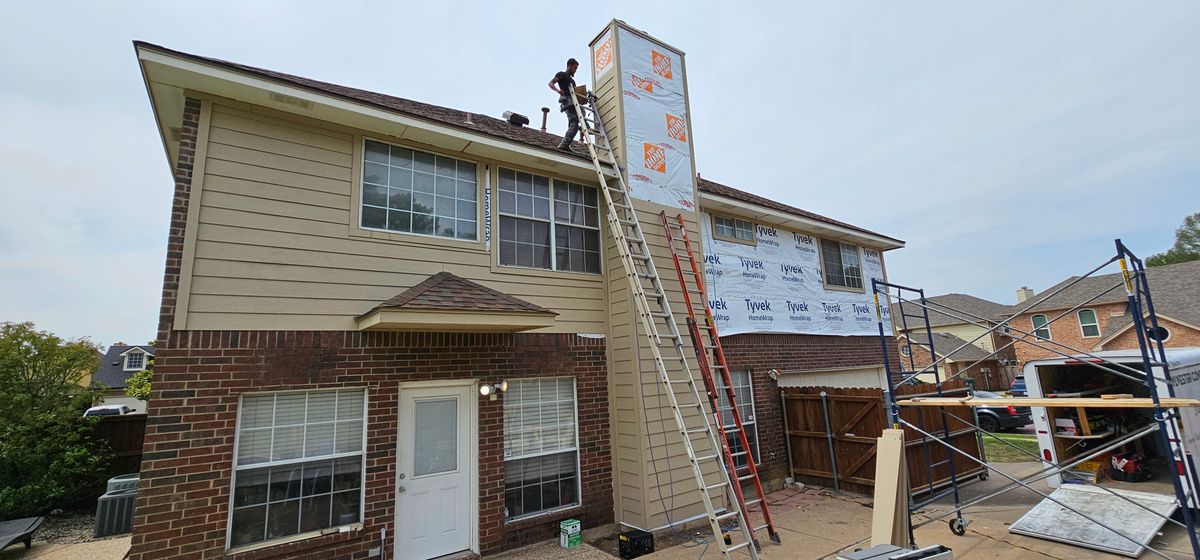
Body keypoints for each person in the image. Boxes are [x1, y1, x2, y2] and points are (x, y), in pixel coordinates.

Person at [549, 58, 581, 151]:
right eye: (574, 67)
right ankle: (565, 143)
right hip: (566, 101)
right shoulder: (561, 75)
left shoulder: (573, 81)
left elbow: (575, 94)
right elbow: (551, 83)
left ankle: (566, 144)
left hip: (573, 101)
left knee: (574, 124)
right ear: (570, 66)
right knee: (574, 120)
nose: (575, 70)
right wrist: (558, 91)